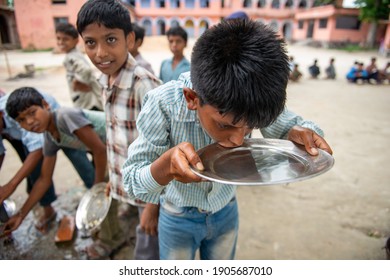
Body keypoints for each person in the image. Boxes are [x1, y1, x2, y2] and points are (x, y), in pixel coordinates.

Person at [122, 20, 333, 260]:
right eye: (225, 125)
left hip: (226, 209)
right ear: (192, 98)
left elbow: (287, 126)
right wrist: (165, 168)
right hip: (177, 216)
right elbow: (131, 181)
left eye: (251, 127)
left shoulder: (251, 101)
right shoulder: (162, 105)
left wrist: (298, 132)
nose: (239, 140)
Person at [76, 0, 162, 260]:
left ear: (130, 39)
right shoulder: (106, 79)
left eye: (110, 39)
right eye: (91, 43)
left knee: (148, 252)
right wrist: (113, 181)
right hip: (128, 183)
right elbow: (118, 138)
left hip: (151, 191)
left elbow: (162, 149)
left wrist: (152, 206)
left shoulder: (143, 85)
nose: (100, 53)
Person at [3, 87, 107, 234]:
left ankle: (108, 239)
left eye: (32, 112)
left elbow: (100, 150)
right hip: (112, 151)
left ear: (45, 105)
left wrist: (96, 189)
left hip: (125, 142)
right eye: (22, 120)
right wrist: (20, 215)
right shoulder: (50, 137)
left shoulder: (65, 116)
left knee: (103, 193)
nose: (30, 121)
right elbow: (44, 180)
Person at [55, 23, 103, 111]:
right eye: (58, 38)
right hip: (87, 99)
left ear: (76, 41)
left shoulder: (71, 57)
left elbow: (86, 70)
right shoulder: (74, 54)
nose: (61, 42)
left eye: (65, 39)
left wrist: (78, 82)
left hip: (87, 102)